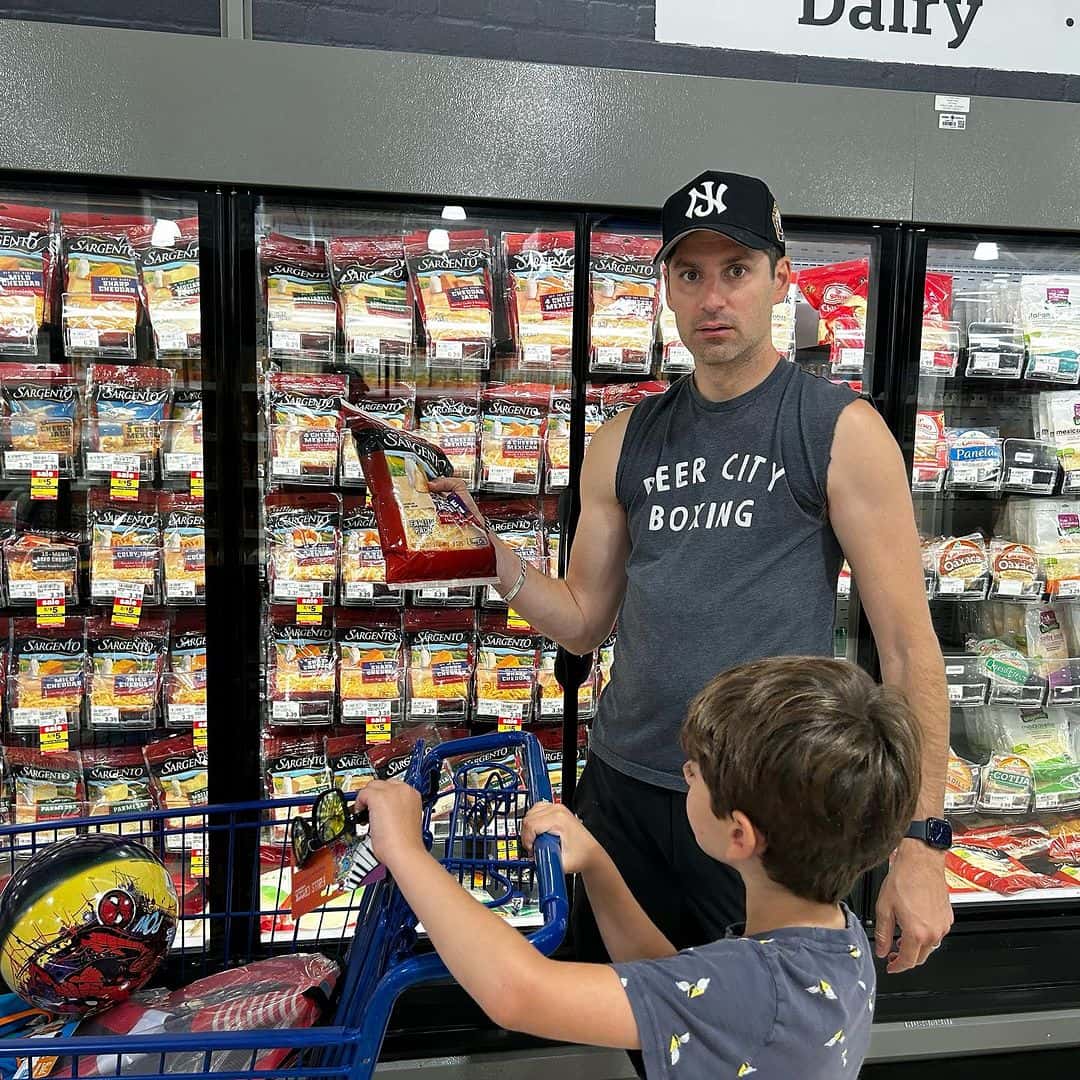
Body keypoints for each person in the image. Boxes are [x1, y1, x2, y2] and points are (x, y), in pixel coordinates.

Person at [431, 170, 952, 973]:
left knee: (754, 1025)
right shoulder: (624, 438)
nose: (713, 298)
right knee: (618, 1010)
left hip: (767, 805)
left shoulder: (839, 430)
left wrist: (921, 846)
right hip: (623, 788)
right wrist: (486, 551)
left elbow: (910, 649)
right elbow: (583, 621)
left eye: (736, 270)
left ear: (781, 278)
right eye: (690, 273)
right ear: (667, 288)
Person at [358, 657, 922, 1079]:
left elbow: (519, 993)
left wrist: (405, 850)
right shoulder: (835, 941)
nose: (685, 773)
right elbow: (680, 981)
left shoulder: (759, 990)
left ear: (739, 835)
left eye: (695, 772)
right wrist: (598, 865)